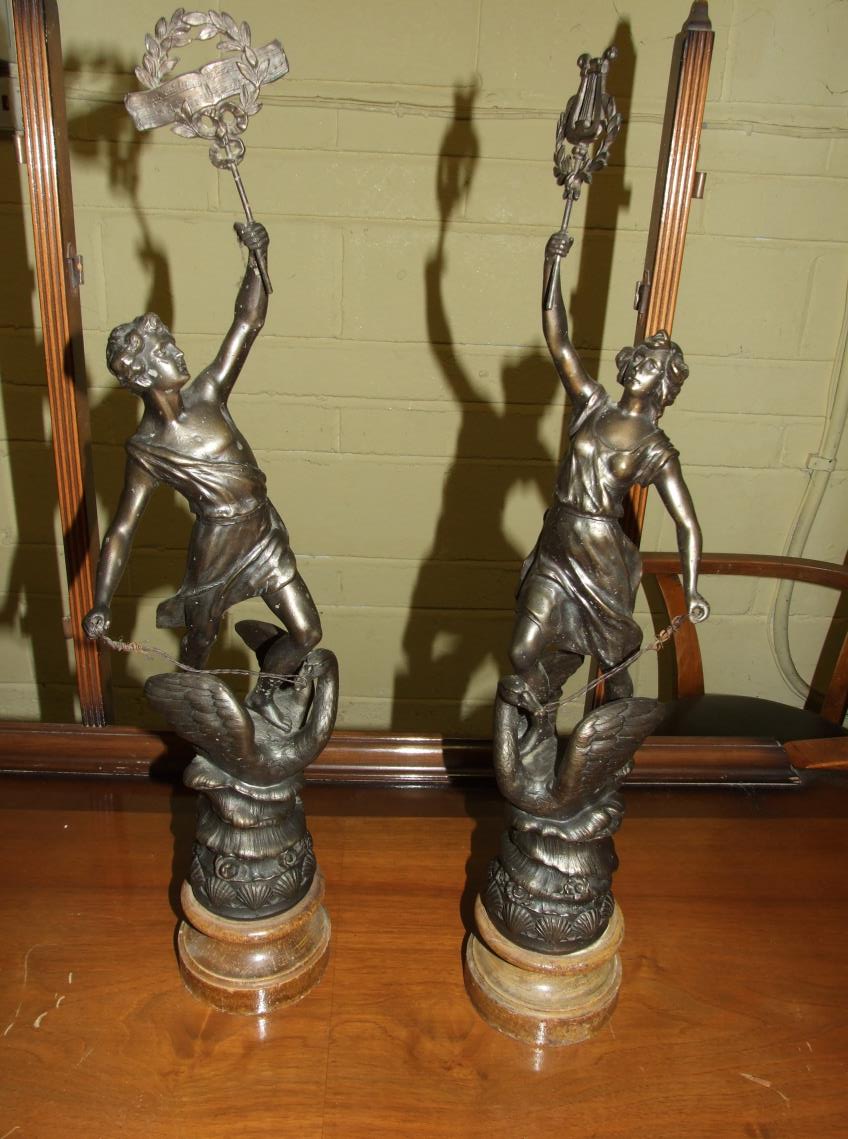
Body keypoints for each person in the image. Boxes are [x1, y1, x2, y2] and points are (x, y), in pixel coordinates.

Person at [82, 221, 321, 730]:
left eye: (171, 342)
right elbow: (121, 530)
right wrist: (101, 601)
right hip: (216, 544)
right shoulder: (146, 450)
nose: (178, 352)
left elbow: (247, 321)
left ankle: (265, 695)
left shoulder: (210, 393)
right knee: (201, 639)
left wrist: (257, 259)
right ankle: (195, 715)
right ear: (141, 375)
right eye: (164, 350)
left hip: (262, 530)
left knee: (307, 634)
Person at [509, 232, 709, 709]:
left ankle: (616, 734)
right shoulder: (592, 405)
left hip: (601, 554)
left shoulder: (656, 448)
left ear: (663, 384)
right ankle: (534, 719)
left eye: (653, 366)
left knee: (614, 663)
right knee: (522, 653)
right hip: (558, 541)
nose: (642, 367)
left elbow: (686, 523)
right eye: (640, 359)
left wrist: (693, 588)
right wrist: (552, 266)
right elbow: (557, 339)